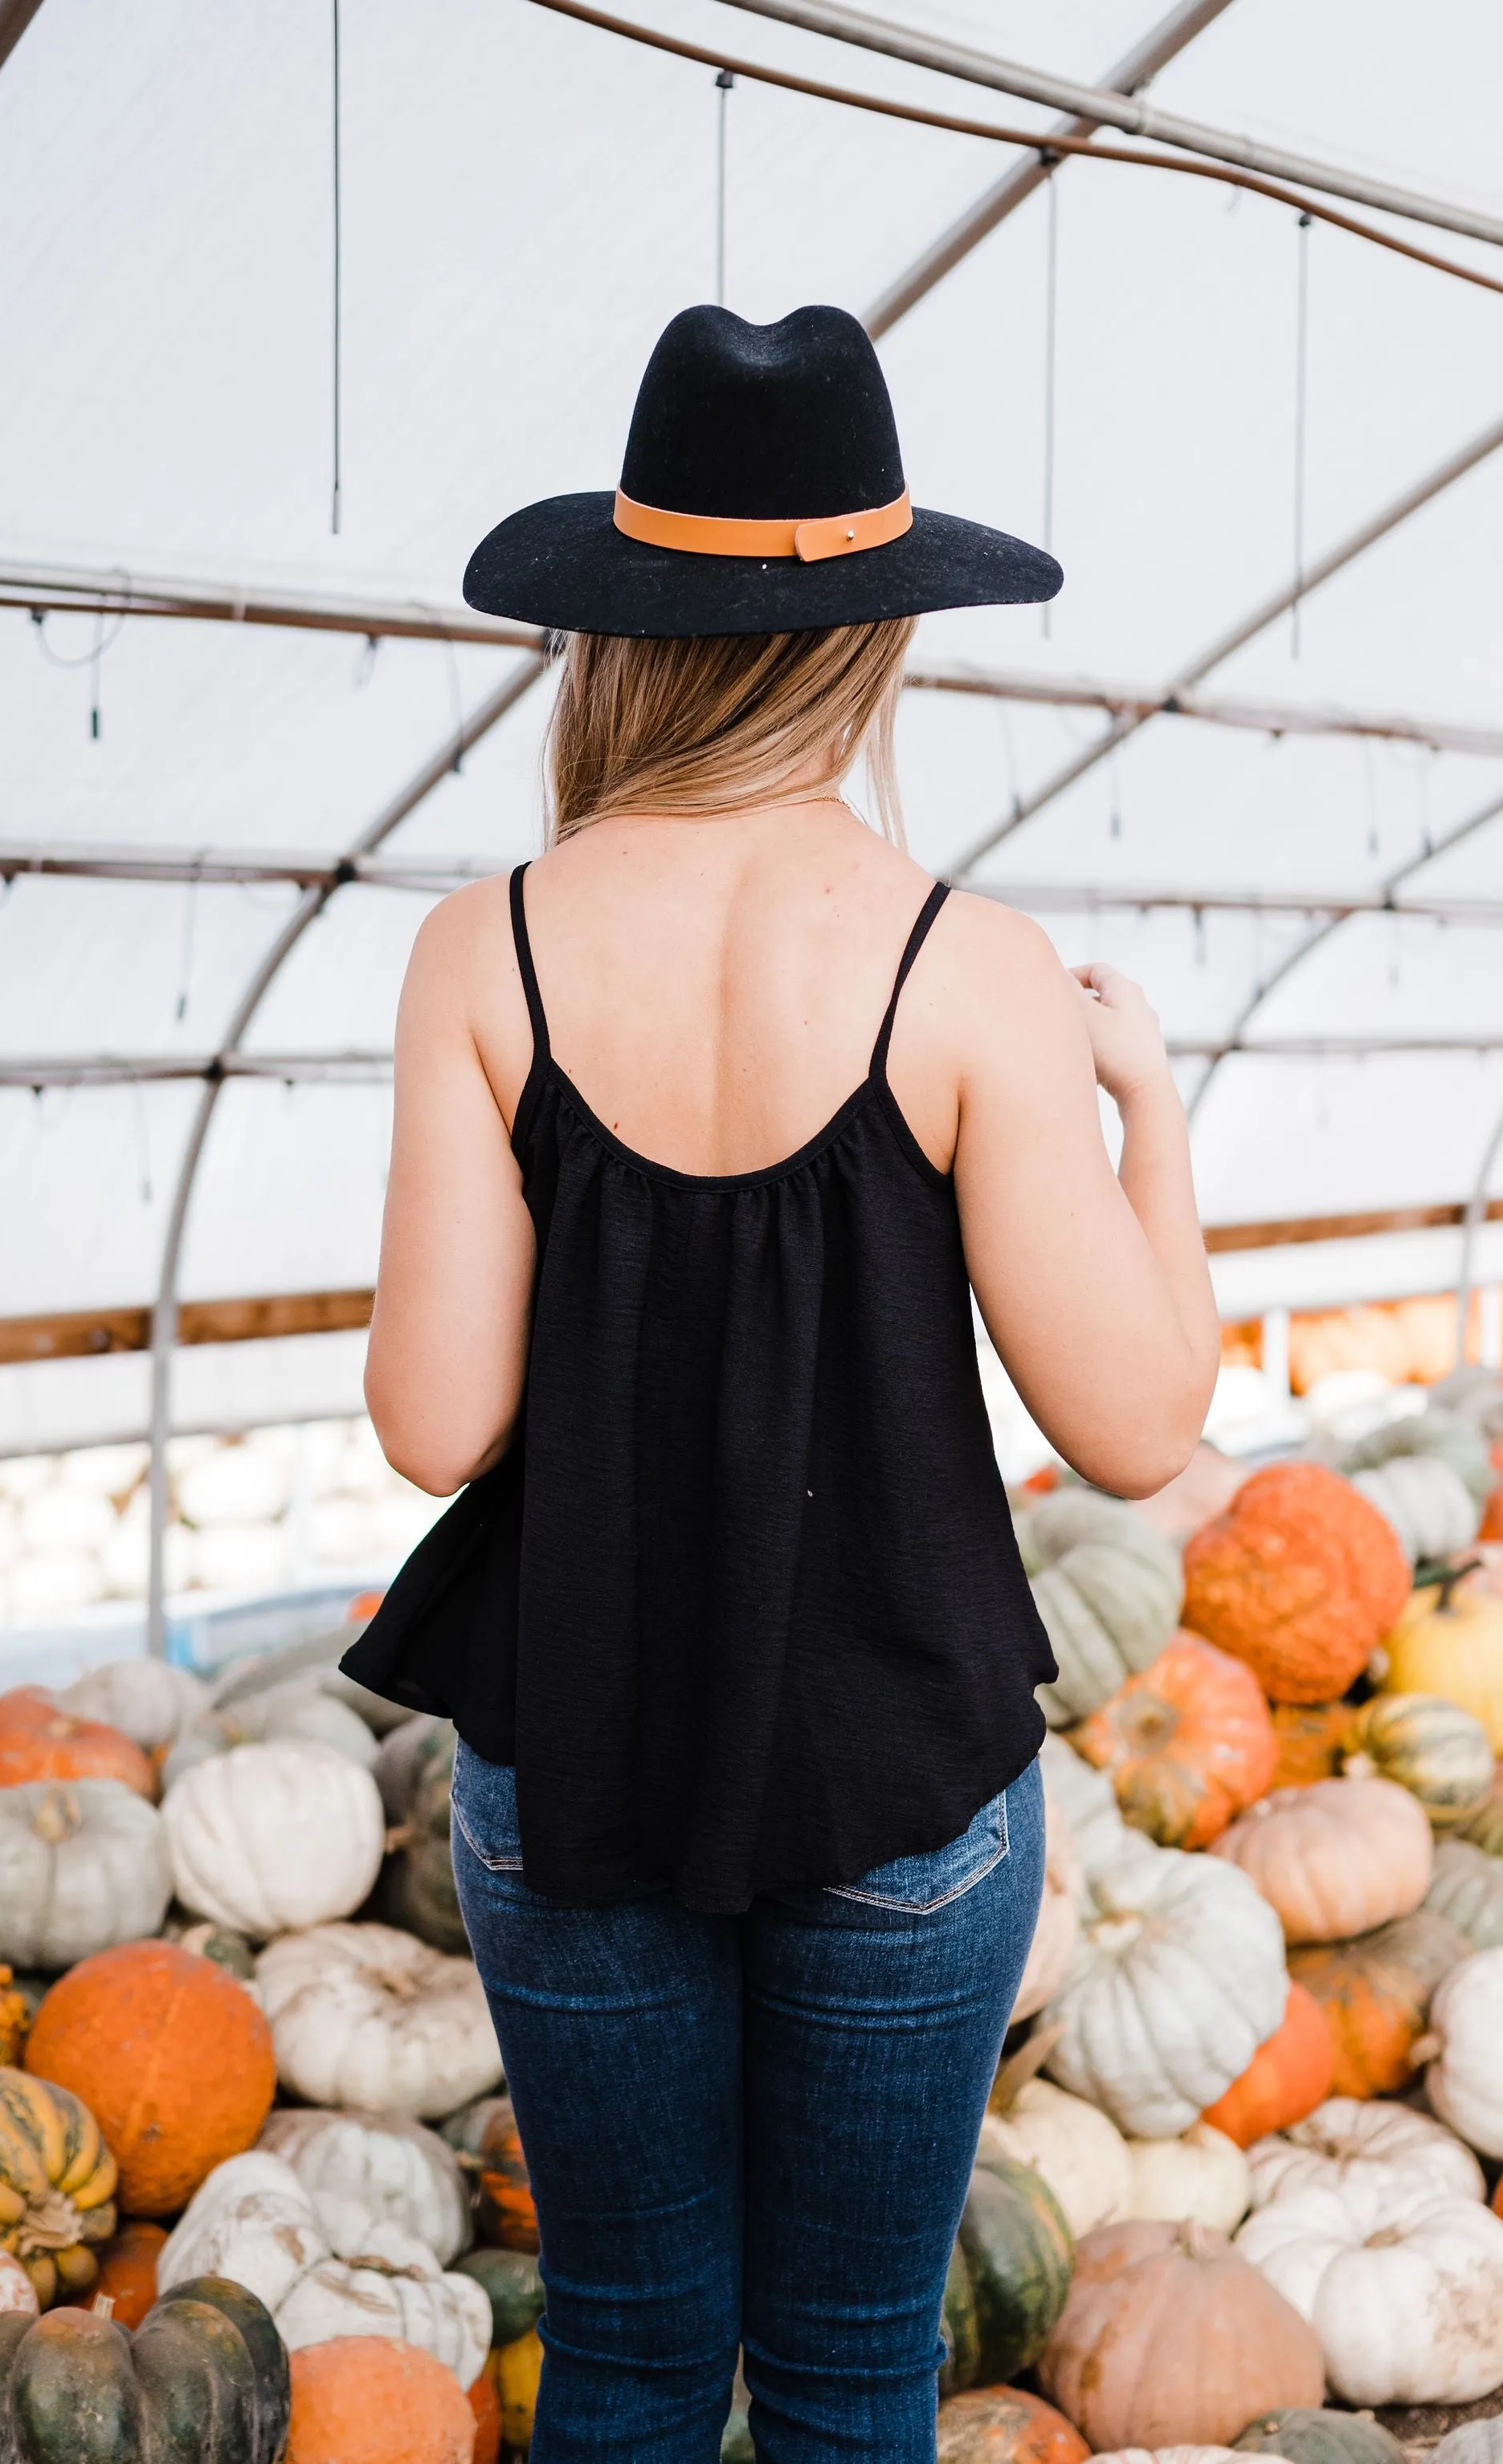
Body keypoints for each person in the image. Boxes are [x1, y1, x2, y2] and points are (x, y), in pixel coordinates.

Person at [363, 306, 1219, 2464]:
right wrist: (1156, 1116)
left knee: (632, 2361)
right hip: (902, 1780)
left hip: (575, 1762)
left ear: (619, 626)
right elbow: (1137, 1425)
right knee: (853, 2380)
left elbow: (433, 1424)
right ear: (876, 636)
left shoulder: (488, 945)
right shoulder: (974, 965)